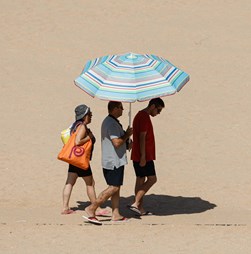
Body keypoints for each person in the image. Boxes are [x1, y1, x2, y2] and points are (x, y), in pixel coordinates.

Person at [83, 101, 133, 225]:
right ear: (115, 109)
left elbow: (118, 142)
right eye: (121, 107)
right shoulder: (110, 123)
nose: (122, 109)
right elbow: (116, 142)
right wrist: (127, 134)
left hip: (117, 160)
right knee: (113, 187)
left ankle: (115, 214)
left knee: (116, 188)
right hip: (113, 161)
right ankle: (92, 208)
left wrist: (127, 140)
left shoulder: (113, 122)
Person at [61, 104, 108, 216]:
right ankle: (96, 208)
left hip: (74, 159)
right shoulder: (81, 126)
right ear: (84, 115)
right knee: (90, 183)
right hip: (80, 160)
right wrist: (89, 137)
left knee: (69, 182)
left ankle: (65, 207)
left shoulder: (75, 125)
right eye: (89, 114)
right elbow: (77, 142)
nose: (91, 116)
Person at [129, 98, 165, 216]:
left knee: (140, 179)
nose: (158, 113)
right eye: (158, 110)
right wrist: (143, 156)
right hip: (144, 156)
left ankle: (140, 208)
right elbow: (142, 137)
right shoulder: (144, 117)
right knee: (152, 179)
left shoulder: (140, 115)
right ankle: (136, 203)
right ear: (153, 106)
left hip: (137, 155)